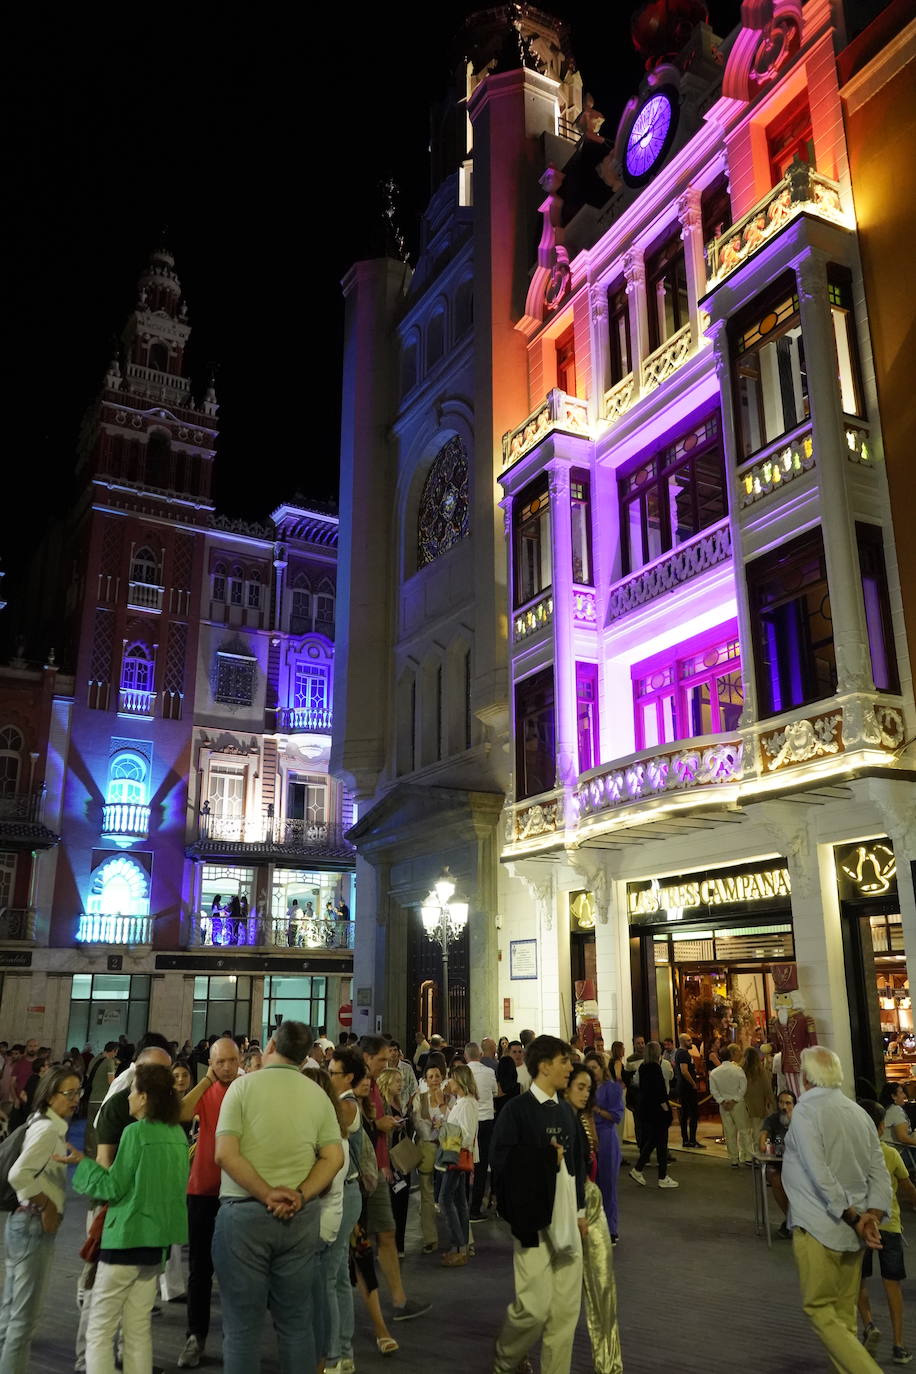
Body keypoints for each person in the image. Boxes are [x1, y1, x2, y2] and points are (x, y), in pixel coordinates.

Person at [211, 1021, 344, 1374]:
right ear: (305, 1056)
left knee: (241, 1328)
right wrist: (299, 1195)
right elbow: (334, 1157)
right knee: (297, 1324)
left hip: (244, 1216)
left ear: (271, 1044)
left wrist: (267, 1193)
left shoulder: (241, 1088)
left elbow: (225, 1153)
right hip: (299, 1221)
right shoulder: (317, 1094)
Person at [59, 1062, 189, 1374]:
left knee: (100, 1330)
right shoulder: (178, 1136)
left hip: (124, 1241)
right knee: (138, 1330)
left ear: (144, 1097)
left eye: (132, 1091)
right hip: (156, 1246)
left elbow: (113, 1187)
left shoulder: (134, 1134)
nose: (128, 1097)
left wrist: (83, 1165)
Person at [782, 1046, 891, 1372]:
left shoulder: (805, 1112)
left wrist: (857, 1217)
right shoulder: (858, 1113)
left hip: (819, 1226)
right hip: (852, 1230)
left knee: (819, 1309)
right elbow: (879, 1171)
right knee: (844, 1317)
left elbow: (820, 1174)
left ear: (805, 1076)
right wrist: (874, 1213)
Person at [490, 1035, 587, 1374]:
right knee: (533, 1307)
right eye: (564, 1061)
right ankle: (507, 1357)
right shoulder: (515, 1111)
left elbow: (579, 1162)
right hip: (531, 1222)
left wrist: (580, 1211)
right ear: (544, 1067)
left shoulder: (567, 1111)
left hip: (567, 1221)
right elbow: (499, 1164)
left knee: (564, 1312)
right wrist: (545, 1157)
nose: (570, 1067)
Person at [0, 1065, 81, 1372]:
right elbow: (19, 1174)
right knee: (23, 1320)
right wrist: (47, 1206)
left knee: (11, 1312)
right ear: (50, 1095)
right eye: (68, 1093)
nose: (75, 1099)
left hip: (23, 1226)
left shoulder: (45, 1123)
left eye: (78, 1092)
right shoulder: (47, 1130)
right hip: (33, 1226)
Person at [176, 1035, 241, 1369]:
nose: (226, 1068)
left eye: (231, 1060)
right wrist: (206, 1081)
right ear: (211, 1064)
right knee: (199, 1271)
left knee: (236, 1271)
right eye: (219, 1062)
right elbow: (181, 1114)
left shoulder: (249, 1089)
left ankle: (236, 1339)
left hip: (239, 1193)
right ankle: (195, 1337)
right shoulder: (207, 1089)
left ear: (241, 1059)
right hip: (202, 1189)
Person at [357, 1034, 430, 1320]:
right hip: (359, 1172)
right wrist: (378, 1125)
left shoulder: (374, 1086)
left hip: (376, 1168)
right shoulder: (357, 1086)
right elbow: (350, 1126)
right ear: (366, 1058)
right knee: (357, 1247)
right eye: (381, 1060)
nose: (387, 1065)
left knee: (386, 1232)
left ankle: (399, 1300)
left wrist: (384, 1159)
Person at [565, 1064, 624, 1374]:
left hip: (592, 1205)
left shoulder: (586, 1116)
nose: (586, 1093)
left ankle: (610, 1364)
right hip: (566, 1210)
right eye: (580, 1087)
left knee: (603, 1287)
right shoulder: (560, 1118)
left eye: (588, 1088)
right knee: (554, 1297)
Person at [327, 1047, 377, 1372]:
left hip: (344, 1196)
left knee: (331, 1277)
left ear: (347, 1077)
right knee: (340, 1277)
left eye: (332, 1072)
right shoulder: (345, 1103)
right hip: (345, 1195)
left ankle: (336, 1353)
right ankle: (343, 1352)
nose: (327, 1076)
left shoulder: (346, 1106)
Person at [856, 1099, 916, 1365]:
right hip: (888, 1227)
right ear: (881, 1128)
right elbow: (907, 1187)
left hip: (859, 1226)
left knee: (859, 1281)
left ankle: (868, 1324)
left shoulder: (851, 1155)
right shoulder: (890, 1155)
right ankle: (899, 1344)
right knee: (893, 1286)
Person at [302, 1066, 349, 1370]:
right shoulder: (328, 1130)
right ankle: (333, 1354)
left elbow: (323, 1187)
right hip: (322, 1221)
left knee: (322, 1291)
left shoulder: (330, 1136)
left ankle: (327, 1357)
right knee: (329, 1286)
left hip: (320, 1225)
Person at [440, 1063, 479, 1266]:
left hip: (455, 1156)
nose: (449, 1082)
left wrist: (446, 1131)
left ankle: (459, 1244)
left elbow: (466, 1134)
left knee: (445, 1199)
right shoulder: (463, 1102)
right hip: (457, 1155)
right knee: (459, 1201)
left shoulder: (466, 1104)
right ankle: (461, 1247)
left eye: (452, 1078)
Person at [410, 1058, 448, 1252]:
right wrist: (432, 1125)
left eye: (437, 1076)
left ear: (443, 1077)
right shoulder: (420, 1097)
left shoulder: (449, 1096)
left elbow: (453, 1122)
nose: (434, 1079)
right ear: (425, 1078)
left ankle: (461, 1238)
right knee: (426, 1192)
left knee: (451, 1193)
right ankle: (430, 1238)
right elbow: (417, 1122)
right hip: (426, 1146)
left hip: (446, 1148)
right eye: (431, 1076)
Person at [629, 1042, 679, 1190]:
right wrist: (666, 1108)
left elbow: (640, 1086)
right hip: (658, 1110)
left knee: (653, 1140)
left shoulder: (643, 1067)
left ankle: (639, 1169)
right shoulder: (656, 1068)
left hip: (647, 1109)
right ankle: (662, 1176)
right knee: (661, 1142)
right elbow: (660, 1090)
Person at [466, 1042, 497, 1221]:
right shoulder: (489, 1072)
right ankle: (475, 1209)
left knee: (463, 1161)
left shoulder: (462, 1072)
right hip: (485, 1121)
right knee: (481, 1165)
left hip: (468, 1120)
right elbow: (494, 1091)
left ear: (466, 1056)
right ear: (480, 1054)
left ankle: (462, 1204)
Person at [759, 1089, 797, 1238]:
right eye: (781, 1102)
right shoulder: (772, 1119)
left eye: (788, 1103)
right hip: (777, 1165)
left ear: (794, 1105)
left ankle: (795, 1221)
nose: (784, 1106)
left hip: (797, 1166)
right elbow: (763, 1135)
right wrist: (763, 1143)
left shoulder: (801, 1120)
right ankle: (793, 1220)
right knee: (775, 1179)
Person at [710, 1044, 753, 1167]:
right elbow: (743, 1087)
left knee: (729, 1132)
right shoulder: (737, 1070)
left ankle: (734, 1158)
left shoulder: (714, 1072)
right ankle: (748, 1156)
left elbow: (713, 1090)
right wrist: (735, 1100)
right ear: (731, 1056)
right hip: (737, 1103)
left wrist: (722, 1101)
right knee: (744, 1130)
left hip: (723, 1104)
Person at [878, 1083, 916, 1172]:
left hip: (885, 1154)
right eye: (901, 1093)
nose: (904, 1095)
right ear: (893, 1096)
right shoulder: (895, 1110)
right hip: (898, 1154)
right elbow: (903, 1138)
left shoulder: (887, 1109)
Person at [674, 1033, 703, 1149]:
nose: (691, 1042)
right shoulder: (682, 1054)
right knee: (692, 1114)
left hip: (684, 1087)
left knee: (685, 1114)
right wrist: (693, 1083)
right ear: (682, 1042)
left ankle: (687, 1140)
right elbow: (684, 1071)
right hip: (687, 1088)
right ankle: (691, 1140)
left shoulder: (683, 1053)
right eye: (688, 1041)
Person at [743, 1044, 776, 1143]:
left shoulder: (741, 1071)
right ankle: (757, 1154)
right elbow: (768, 1090)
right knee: (757, 1130)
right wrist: (774, 1106)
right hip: (758, 1105)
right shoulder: (761, 1072)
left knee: (745, 1131)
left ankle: (746, 1154)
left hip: (745, 1104)